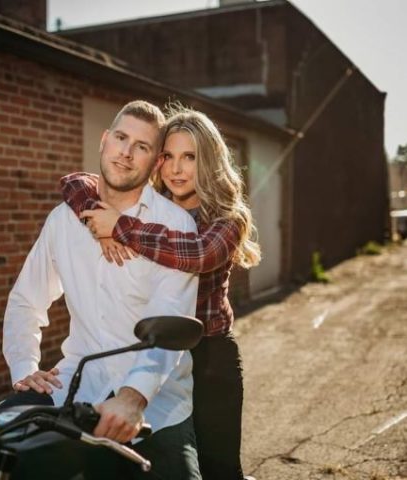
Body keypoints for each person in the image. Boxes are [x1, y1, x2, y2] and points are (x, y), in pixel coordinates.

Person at [2, 100, 202, 479]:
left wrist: (132, 397)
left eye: (141, 147)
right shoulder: (63, 220)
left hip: (158, 406)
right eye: (121, 139)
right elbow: (26, 300)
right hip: (78, 388)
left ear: (156, 162)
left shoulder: (174, 227)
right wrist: (25, 366)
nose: (126, 153)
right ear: (104, 141)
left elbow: (169, 324)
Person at [60, 106, 261, 480]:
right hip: (157, 353)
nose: (176, 169)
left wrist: (118, 227)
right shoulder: (150, 207)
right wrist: (95, 216)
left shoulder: (227, 218)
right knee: (158, 462)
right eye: (168, 156)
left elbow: (196, 253)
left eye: (190, 157)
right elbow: (74, 182)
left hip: (209, 357)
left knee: (219, 468)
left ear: (210, 161)